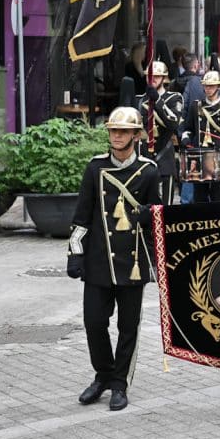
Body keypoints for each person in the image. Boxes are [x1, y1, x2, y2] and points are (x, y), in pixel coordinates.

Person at [66, 107, 161, 412]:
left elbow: (160, 219)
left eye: (123, 131)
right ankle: (103, 375)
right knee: (94, 322)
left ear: (136, 135)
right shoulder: (95, 168)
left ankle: (119, 383)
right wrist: (75, 253)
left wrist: (151, 215)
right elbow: (82, 216)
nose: (117, 136)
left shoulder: (149, 171)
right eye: (113, 131)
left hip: (132, 263)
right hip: (98, 261)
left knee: (128, 327)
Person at [180, 71, 220, 203]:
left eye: (211, 86)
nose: (208, 89)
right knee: (200, 199)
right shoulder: (196, 106)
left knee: (218, 199)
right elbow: (189, 128)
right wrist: (186, 137)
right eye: (206, 86)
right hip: (200, 157)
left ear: (219, 87)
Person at [137, 60, 183, 205]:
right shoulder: (140, 100)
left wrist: (157, 100)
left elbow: (173, 123)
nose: (152, 79)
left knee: (165, 208)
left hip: (164, 157)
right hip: (143, 158)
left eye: (156, 76)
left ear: (164, 78)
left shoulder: (174, 98)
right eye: (149, 76)